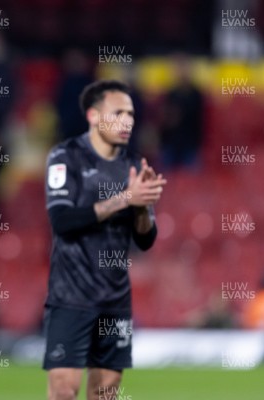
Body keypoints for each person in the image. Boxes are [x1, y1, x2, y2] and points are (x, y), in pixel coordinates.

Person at [43, 80, 166, 400]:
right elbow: (63, 220)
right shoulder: (65, 156)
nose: (127, 120)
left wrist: (140, 207)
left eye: (131, 114)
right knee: (64, 391)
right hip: (70, 298)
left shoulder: (134, 165)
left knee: (106, 394)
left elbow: (146, 239)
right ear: (94, 116)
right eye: (118, 113)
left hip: (115, 301)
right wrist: (126, 198)